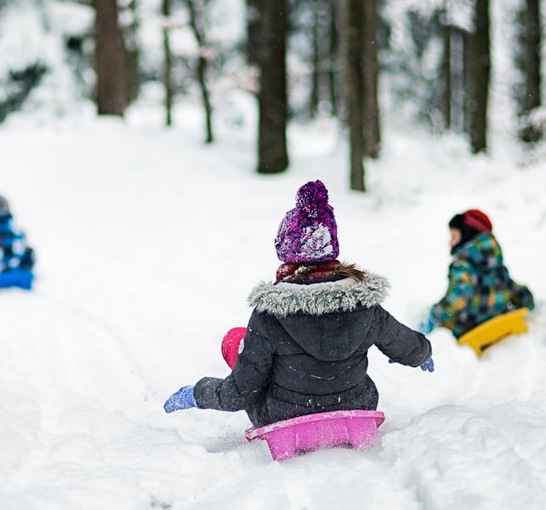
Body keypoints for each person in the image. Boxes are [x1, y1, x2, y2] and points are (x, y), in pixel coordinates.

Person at [162, 180, 433, 427]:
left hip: (284, 417)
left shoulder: (270, 314)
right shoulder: (365, 304)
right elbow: (405, 344)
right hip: (355, 406)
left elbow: (239, 394)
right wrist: (423, 354)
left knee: (236, 340)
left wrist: (198, 393)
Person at [419, 209, 535, 338]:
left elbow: (460, 296)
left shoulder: (461, 265)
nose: (450, 242)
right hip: (499, 317)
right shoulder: (495, 261)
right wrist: (525, 298)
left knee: (441, 323)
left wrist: (434, 316)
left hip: (469, 327)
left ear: (467, 234)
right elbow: (507, 285)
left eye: (454, 237)